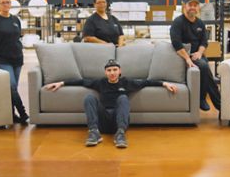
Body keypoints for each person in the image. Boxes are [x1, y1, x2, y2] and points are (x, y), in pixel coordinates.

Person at [43, 59, 177, 149]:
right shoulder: (100, 82)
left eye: (114, 70)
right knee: (89, 97)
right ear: (105, 72)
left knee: (123, 98)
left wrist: (165, 84)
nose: (112, 73)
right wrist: (61, 83)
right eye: (109, 70)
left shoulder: (126, 82)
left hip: (119, 120)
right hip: (103, 120)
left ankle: (120, 134)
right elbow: (81, 81)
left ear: (120, 71)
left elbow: (147, 82)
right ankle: (94, 132)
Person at [170, 0, 220, 111]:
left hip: (198, 56)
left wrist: (199, 52)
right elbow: (176, 43)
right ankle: (207, 100)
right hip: (183, 56)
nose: (192, 7)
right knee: (203, 66)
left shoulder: (200, 23)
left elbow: (204, 42)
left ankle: (217, 104)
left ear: (198, 7)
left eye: (195, 5)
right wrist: (187, 58)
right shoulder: (178, 22)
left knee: (205, 69)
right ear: (185, 6)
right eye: (190, 5)